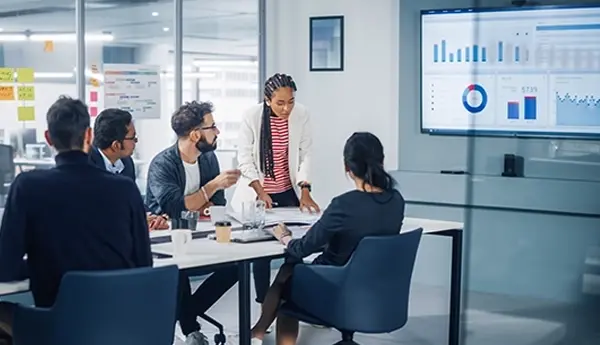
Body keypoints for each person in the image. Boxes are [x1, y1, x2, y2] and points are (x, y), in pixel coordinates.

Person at [0, 96, 152, 342]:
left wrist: (43, 265)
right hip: (121, 322)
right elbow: (144, 264)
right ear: (89, 136)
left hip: (61, 326)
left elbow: (4, 269)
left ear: (49, 138)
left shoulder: (28, 187)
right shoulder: (125, 189)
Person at [249, 132, 406, 345]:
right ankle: (257, 332)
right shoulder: (396, 201)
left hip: (335, 289)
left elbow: (302, 248)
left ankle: (257, 332)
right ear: (382, 161)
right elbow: (362, 237)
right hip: (376, 293)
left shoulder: (344, 204)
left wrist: (284, 236)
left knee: (289, 274)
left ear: (347, 168)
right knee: (291, 274)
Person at [145, 101, 241, 345]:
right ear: (196, 134)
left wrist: (197, 201)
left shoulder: (208, 159)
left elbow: (214, 204)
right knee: (179, 270)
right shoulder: (162, 164)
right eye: (213, 127)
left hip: (200, 235)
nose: (217, 132)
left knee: (235, 267)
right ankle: (191, 329)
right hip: (166, 242)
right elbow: (175, 206)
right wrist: (211, 187)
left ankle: (186, 317)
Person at [231, 73, 320, 309]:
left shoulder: (301, 113)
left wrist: (305, 188)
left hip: (287, 189)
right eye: (280, 102)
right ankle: (264, 304)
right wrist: (260, 190)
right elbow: (245, 158)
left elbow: (306, 153)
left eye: (290, 101)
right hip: (258, 193)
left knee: (295, 246)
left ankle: (291, 299)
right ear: (267, 100)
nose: (286, 108)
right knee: (261, 252)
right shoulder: (252, 116)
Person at [89, 108, 168, 230]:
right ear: (116, 145)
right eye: (133, 138)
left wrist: (154, 217)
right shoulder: (87, 165)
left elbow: (132, 201)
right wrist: (133, 219)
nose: (136, 142)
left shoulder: (126, 163)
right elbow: (95, 211)